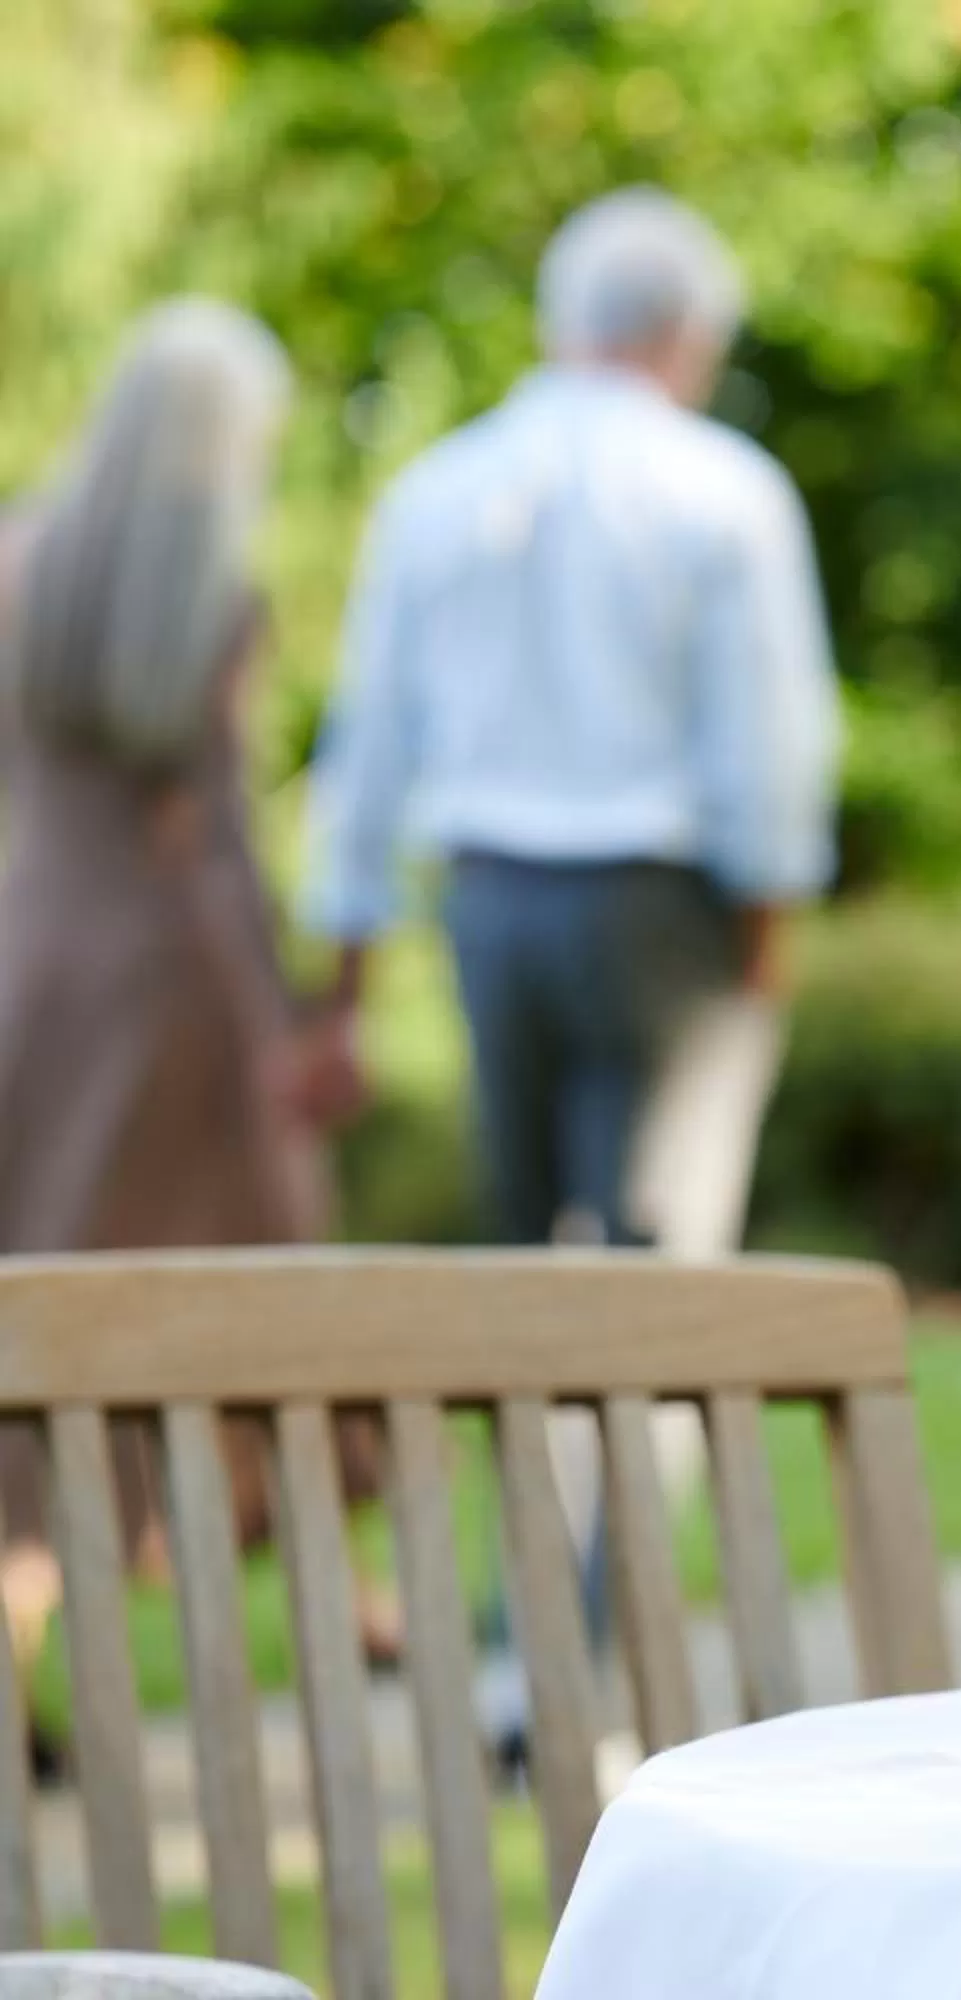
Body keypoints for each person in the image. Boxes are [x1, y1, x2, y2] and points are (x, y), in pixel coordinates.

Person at [301, 189, 841, 1739]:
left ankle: (517, 1649)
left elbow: (367, 752)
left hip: (489, 903)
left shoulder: (437, 488)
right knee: (658, 1292)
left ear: (560, 321)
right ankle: (578, 1660)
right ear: (688, 338)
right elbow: (770, 752)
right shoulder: (723, 491)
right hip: (664, 915)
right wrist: (765, 956)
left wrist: (342, 988)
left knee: (533, 1282)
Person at [0, 300, 379, 1688]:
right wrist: (282, 1027)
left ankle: (19, 1617)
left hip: (33, 957)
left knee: (42, 1281)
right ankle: (340, 1593)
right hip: (170, 991)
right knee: (251, 1288)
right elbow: (210, 846)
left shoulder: (18, 559)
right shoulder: (207, 598)